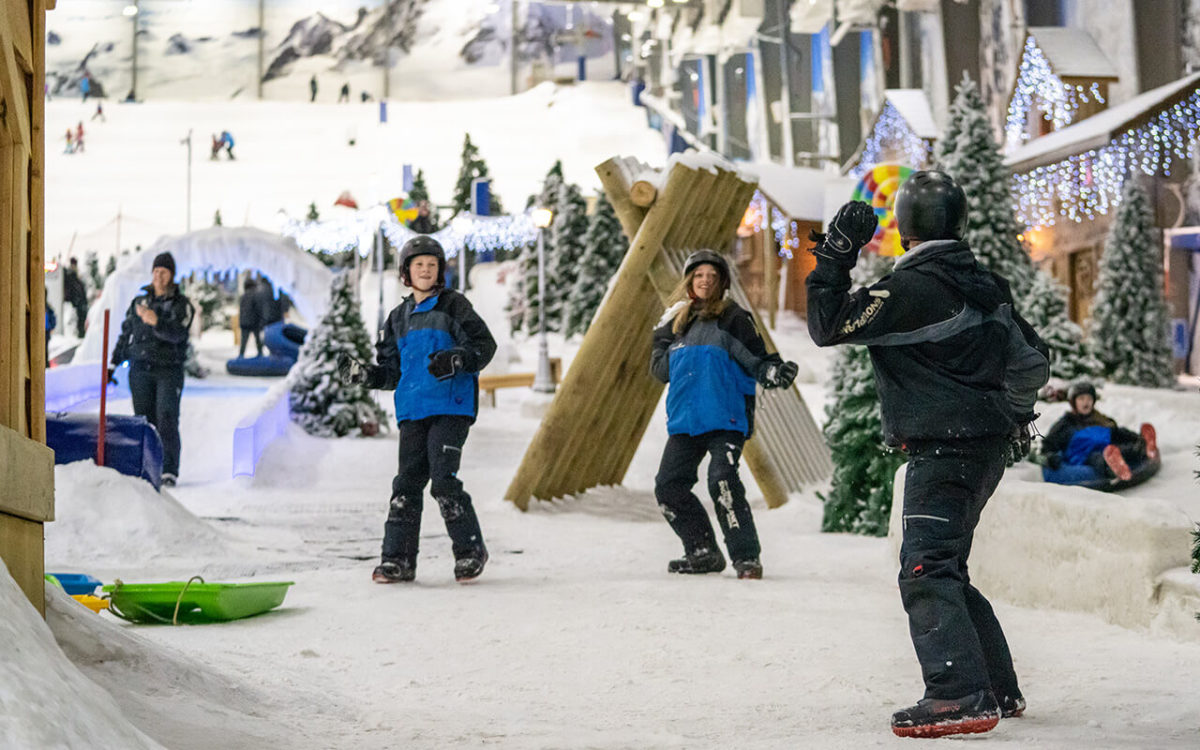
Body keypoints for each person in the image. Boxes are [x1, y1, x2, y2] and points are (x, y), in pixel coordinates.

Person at [806, 171, 1049, 738]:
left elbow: (827, 325)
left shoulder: (909, 291)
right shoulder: (986, 285)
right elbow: (1033, 361)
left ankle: (958, 694)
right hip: (984, 448)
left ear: (904, 229)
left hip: (943, 450)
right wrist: (1006, 414)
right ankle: (995, 687)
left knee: (925, 569)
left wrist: (837, 255)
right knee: (947, 568)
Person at [337, 236, 496, 584]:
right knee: (406, 483)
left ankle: (470, 551)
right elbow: (392, 373)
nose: (425, 270)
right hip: (412, 409)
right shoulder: (397, 318)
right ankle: (397, 560)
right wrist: (365, 375)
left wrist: (458, 359)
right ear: (406, 271)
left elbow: (484, 346)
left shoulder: (454, 305)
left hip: (450, 407)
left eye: (432, 265)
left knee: (442, 480)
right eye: (418, 264)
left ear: (440, 270)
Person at [648, 250, 799, 580]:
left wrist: (774, 373)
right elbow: (659, 370)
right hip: (686, 420)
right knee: (668, 487)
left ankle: (746, 558)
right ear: (690, 281)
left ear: (721, 283)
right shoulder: (677, 322)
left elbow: (759, 360)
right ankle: (702, 551)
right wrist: (667, 341)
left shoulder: (734, 318)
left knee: (722, 481)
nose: (705, 281)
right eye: (699, 275)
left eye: (712, 276)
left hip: (725, 417)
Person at [109, 252, 195, 488]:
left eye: (164, 272)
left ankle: (168, 469)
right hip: (140, 369)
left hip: (168, 369)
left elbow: (179, 334)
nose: (159, 277)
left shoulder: (181, 305)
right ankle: (146, 464)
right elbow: (126, 334)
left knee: (166, 417)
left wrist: (156, 322)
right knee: (143, 419)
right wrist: (113, 363)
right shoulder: (139, 302)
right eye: (156, 272)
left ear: (172, 275)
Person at [1040, 381, 1156, 481]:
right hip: (1085, 456)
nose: (1086, 402)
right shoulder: (1066, 423)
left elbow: (1117, 433)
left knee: (1123, 445)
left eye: (1089, 399)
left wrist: (1135, 438)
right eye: (1081, 399)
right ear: (1073, 402)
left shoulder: (1100, 419)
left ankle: (1143, 445)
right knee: (1098, 457)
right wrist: (1050, 457)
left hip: (1109, 450)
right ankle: (1112, 468)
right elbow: (1048, 445)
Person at [237, 278, 264, 358]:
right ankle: (260, 354)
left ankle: (241, 355)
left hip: (244, 322)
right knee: (258, 339)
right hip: (254, 322)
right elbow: (258, 309)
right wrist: (261, 321)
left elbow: (242, 310)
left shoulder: (243, 296)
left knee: (244, 341)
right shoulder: (256, 295)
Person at [64, 257, 89, 338]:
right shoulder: (70, 275)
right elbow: (71, 290)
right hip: (75, 303)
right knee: (80, 318)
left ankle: (81, 333)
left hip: (79, 303)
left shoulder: (75, 276)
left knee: (82, 318)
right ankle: (80, 333)